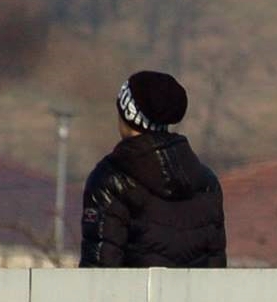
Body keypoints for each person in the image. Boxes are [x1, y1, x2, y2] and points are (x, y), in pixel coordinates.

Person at [79, 70, 225, 269]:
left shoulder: (110, 180)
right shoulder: (207, 183)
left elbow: (99, 271)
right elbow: (216, 268)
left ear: (127, 114)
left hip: (131, 291)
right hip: (195, 292)